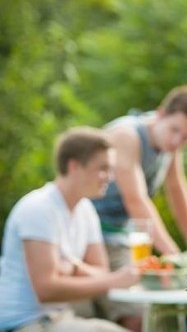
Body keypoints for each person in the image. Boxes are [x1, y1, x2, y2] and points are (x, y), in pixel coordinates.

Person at [91, 85, 187, 330]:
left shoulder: (170, 144)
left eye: (186, 136)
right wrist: (176, 258)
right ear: (160, 113)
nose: (178, 140)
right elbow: (137, 202)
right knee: (135, 317)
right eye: (175, 130)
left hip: (118, 237)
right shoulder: (127, 136)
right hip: (89, 235)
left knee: (157, 316)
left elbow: (177, 191)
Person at [0, 127, 139, 332]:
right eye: (102, 168)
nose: (110, 177)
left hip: (59, 319)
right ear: (74, 166)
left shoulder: (85, 209)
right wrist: (116, 280)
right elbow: (46, 290)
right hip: (24, 324)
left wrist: (75, 267)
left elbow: (100, 270)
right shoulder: (39, 209)